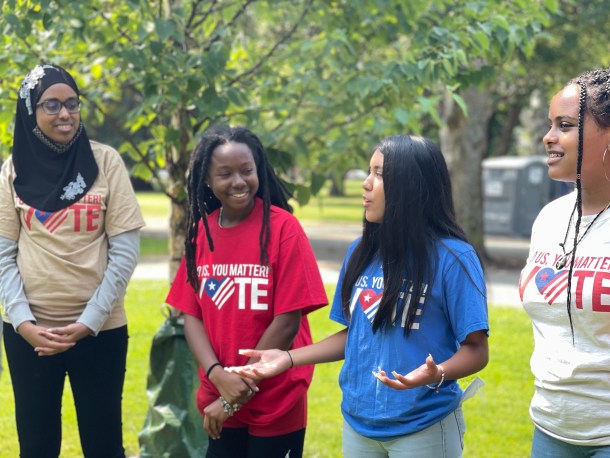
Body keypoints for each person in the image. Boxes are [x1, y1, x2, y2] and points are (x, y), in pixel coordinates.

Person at [228, 134, 489, 457]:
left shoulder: (454, 258)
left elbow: (476, 349)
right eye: (369, 171)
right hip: (359, 425)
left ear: (410, 186)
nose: (365, 184)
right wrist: (289, 358)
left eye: (379, 174)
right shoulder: (360, 252)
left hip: (423, 425)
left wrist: (438, 373)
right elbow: (355, 334)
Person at [0, 64, 144, 458]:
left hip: (100, 331)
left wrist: (89, 322)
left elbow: (125, 252)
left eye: (72, 104)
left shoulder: (105, 162)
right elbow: (3, 256)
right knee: (36, 446)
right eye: (51, 105)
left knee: (103, 446)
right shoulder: (12, 172)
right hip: (29, 335)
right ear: (31, 111)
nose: (65, 113)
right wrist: (25, 323)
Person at [165, 125, 328, 458]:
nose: (238, 181)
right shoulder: (201, 233)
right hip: (218, 393)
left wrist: (233, 397)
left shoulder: (284, 229)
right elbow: (191, 316)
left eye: (246, 170)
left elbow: (287, 323)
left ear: (260, 171)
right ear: (207, 181)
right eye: (225, 173)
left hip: (275, 400)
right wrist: (216, 375)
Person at [519, 68, 610, 457]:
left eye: (566, 125)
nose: (548, 137)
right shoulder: (550, 218)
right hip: (550, 428)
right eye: (550, 125)